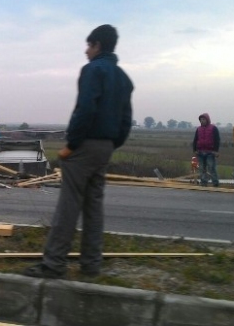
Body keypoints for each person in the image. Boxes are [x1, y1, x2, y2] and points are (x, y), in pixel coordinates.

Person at [23, 24, 134, 279]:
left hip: (85, 146)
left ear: (97, 46)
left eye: (89, 45)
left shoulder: (92, 70)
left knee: (68, 206)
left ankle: (53, 264)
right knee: (94, 208)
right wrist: (111, 144)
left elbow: (85, 110)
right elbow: (126, 120)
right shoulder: (123, 78)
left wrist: (71, 145)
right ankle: (91, 265)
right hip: (106, 147)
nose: (86, 51)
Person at [191, 113, 220, 187]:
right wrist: (195, 149)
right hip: (200, 152)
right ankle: (203, 182)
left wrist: (216, 151)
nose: (202, 121)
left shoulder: (213, 128)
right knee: (201, 168)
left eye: (203, 119)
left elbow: (217, 140)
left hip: (210, 152)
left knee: (211, 167)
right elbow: (195, 139)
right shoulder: (198, 129)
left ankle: (215, 182)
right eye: (201, 120)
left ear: (207, 119)